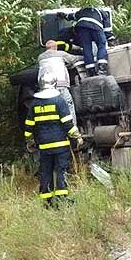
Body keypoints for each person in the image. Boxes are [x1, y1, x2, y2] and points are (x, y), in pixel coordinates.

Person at [24, 72, 83, 204]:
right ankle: (62, 200)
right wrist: (78, 136)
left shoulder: (34, 104)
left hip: (44, 147)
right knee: (61, 170)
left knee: (46, 172)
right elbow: (68, 124)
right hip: (60, 145)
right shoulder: (59, 101)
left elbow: (28, 126)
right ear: (54, 83)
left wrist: (29, 140)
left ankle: (47, 201)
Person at [37, 40, 83, 125]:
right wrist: (85, 56)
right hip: (60, 86)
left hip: (45, 89)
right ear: (55, 47)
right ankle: (73, 129)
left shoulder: (40, 57)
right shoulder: (60, 54)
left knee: (52, 110)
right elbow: (73, 59)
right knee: (69, 106)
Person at [57, 7, 108, 76]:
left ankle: (91, 71)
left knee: (86, 48)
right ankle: (102, 68)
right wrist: (110, 37)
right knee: (101, 45)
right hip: (96, 27)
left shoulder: (82, 11)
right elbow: (107, 29)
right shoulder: (102, 12)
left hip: (81, 28)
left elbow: (71, 16)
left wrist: (63, 16)